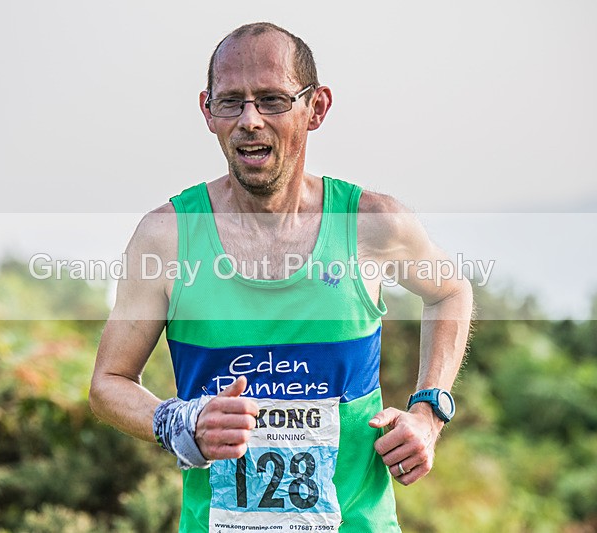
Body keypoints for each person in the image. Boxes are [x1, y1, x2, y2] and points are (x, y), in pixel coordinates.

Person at [89, 22, 473, 533]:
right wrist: (180, 422)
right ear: (207, 111)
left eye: (271, 99)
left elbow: (450, 292)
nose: (250, 120)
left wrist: (428, 411)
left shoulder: (370, 225)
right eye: (232, 102)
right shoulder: (169, 236)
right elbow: (107, 384)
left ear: (316, 108)